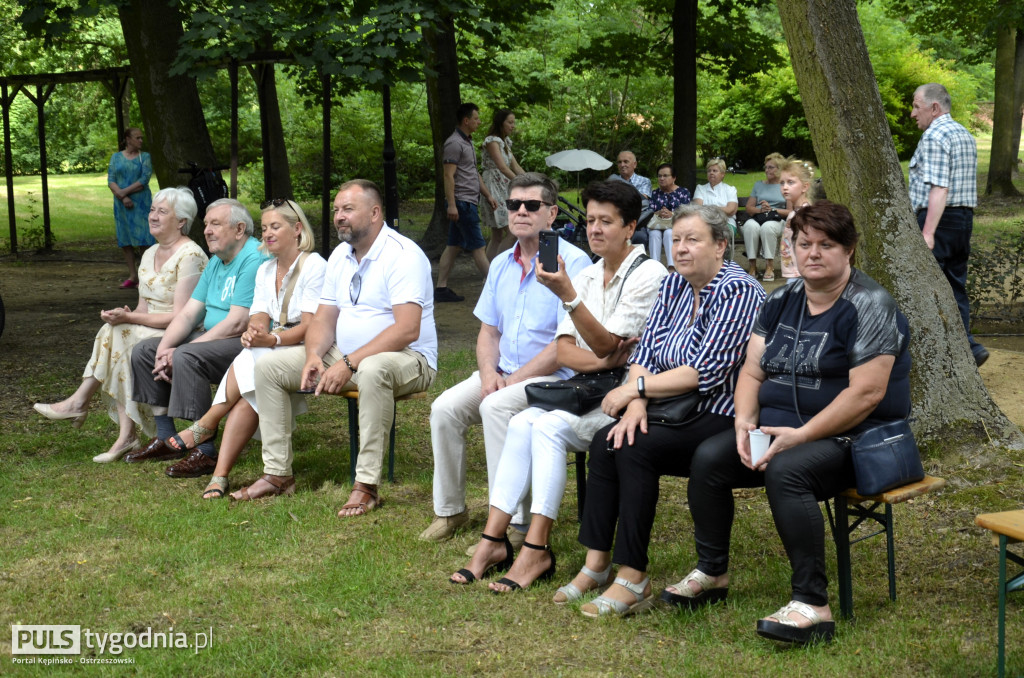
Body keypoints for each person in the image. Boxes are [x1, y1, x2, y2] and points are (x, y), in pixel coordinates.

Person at [673, 201, 911, 646]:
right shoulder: (782, 299)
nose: (813, 253)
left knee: (789, 470)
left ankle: (812, 605)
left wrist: (800, 436)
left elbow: (867, 394)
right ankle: (712, 573)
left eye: (826, 245)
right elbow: (752, 370)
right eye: (805, 244)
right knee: (708, 458)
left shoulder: (871, 305)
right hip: (779, 433)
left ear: (850, 250)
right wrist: (744, 423)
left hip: (856, 440)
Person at [450, 180, 667, 590]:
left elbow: (601, 345)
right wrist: (605, 352)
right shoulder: (587, 275)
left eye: (607, 221)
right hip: (586, 388)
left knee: (544, 426)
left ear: (630, 226)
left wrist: (570, 301)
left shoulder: (647, 272)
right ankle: (493, 541)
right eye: (590, 220)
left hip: (622, 397)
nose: (595, 229)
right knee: (519, 423)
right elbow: (570, 352)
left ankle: (536, 549)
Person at [556, 204, 765, 617]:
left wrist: (636, 390)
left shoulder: (739, 290)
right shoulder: (673, 286)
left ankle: (633, 577)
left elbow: (703, 372)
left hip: (720, 412)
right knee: (606, 441)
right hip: (670, 407)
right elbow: (646, 351)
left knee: (635, 447)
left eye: (693, 240)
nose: (681, 249)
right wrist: (636, 402)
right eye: (676, 240)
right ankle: (597, 565)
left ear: (721, 245)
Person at [232, 180, 437, 515]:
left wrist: (349, 363)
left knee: (373, 369)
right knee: (268, 367)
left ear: (374, 213)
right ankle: (278, 474)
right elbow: (324, 319)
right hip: (344, 356)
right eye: (337, 210)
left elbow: (407, 329)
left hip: (408, 359)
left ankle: (366, 485)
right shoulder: (341, 255)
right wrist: (314, 355)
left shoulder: (403, 256)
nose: (339, 217)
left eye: (348, 210)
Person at [422, 172, 592, 545]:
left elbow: (563, 345)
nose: (520, 212)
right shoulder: (500, 263)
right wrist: (488, 374)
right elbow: (489, 331)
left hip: (558, 377)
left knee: (496, 407)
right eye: (514, 204)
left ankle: (514, 523)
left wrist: (508, 383)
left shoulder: (574, 265)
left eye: (532, 205)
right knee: (444, 409)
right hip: (501, 372)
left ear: (551, 214)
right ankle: (450, 510)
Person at [165, 199, 326, 498]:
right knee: (250, 382)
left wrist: (271, 340)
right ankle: (219, 473)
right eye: (264, 228)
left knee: (257, 359)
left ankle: (209, 429)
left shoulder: (314, 265)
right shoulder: (266, 269)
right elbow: (259, 316)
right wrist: (255, 334)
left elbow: (312, 326)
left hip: (313, 347)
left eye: (275, 227)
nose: (267, 234)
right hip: (272, 349)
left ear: (297, 229)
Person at [33, 188, 207, 462]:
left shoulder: (191, 255)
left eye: (163, 212)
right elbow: (142, 308)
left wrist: (130, 320)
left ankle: (84, 405)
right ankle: (120, 430)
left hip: (183, 332)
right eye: (152, 210)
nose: (153, 216)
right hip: (150, 327)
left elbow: (183, 316)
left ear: (182, 221)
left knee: (121, 334)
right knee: (115, 331)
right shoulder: (149, 253)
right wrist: (125, 314)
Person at [124, 198, 265, 475]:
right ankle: (165, 437)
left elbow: (238, 322)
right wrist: (165, 348)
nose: (207, 231)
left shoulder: (253, 258)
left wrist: (180, 351)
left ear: (239, 229)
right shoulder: (216, 262)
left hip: (246, 343)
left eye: (215, 224)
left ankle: (205, 451)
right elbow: (188, 314)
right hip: (213, 338)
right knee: (146, 351)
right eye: (206, 224)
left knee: (188, 355)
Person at [910, 83, 987, 366]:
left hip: (938, 220)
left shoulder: (934, 135)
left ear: (934, 107)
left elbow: (939, 188)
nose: (912, 113)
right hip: (963, 220)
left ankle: (944, 352)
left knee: (926, 288)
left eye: (916, 106)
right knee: (955, 286)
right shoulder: (964, 134)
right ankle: (967, 348)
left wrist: (928, 233)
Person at [435, 102, 498, 303]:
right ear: (466, 120)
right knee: (478, 247)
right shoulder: (454, 143)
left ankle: (441, 288)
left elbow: (473, 173)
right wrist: (452, 204)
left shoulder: (467, 142)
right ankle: (496, 288)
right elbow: (448, 176)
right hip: (462, 203)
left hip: (469, 202)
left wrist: (488, 195)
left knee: (453, 245)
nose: (479, 122)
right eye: (477, 118)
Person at [108, 127, 154, 289]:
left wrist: (123, 192)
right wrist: (123, 197)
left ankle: (144, 275)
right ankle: (132, 275)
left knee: (144, 239)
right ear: (128, 139)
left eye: (142, 138)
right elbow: (111, 180)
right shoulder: (116, 157)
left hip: (141, 204)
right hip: (122, 205)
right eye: (137, 138)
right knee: (125, 240)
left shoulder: (145, 157)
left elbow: (144, 180)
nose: (141, 140)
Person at [480, 108, 525, 261]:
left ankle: (490, 273)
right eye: (510, 122)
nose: (513, 126)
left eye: (514, 123)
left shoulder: (505, 142)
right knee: (512, 232)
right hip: (493, 188)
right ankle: (498, 269)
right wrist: (519, 182)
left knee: (497, 235)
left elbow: (515, 166)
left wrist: (530, 180)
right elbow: (502, 167)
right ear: (501, 123)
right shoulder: (492, 141)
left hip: (504, 188)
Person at [741, 153, 789, 282]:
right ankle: (752, 267)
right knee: (749, 226)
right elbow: (749, 208)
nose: (767, 170)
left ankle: (769, 266)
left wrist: (772, 209)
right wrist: (761, 210)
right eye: (766, 167)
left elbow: (790, 211)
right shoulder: (758, 185)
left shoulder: (785, 186)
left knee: (768, 228)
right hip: (759, 217)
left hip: (777, 220)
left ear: (779, 169)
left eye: (771, 167)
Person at [777, 158, 815, 284]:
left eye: (790, 182)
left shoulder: (806, 214)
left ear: (805, 186)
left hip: (801, 274)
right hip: (793, 272)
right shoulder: (794, 212)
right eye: (782, 183)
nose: (785, 187)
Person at [647, 163, 691, 266]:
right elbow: (650, 211)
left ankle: (672, 267)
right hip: (656, 225)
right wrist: (659, 213)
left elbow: (687, 212)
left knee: (669, 233)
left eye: (665, 176)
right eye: (659, 176)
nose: (661, 178)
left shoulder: (683, 192)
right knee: (654, 234)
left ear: (674, 178)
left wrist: (672, 214)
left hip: (676, 225)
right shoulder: (655, 193)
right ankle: (655, 267)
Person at [692, 158, 739, 233]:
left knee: (714, 232)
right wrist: (721, 209)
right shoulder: (700, 188)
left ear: (722, 174)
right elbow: (697, 209)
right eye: (709, 171)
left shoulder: (730, 190)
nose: (711, 173)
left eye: (715, 171)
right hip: (705, 223)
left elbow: (730, 210)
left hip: (726, 223)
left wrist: (709, 207)